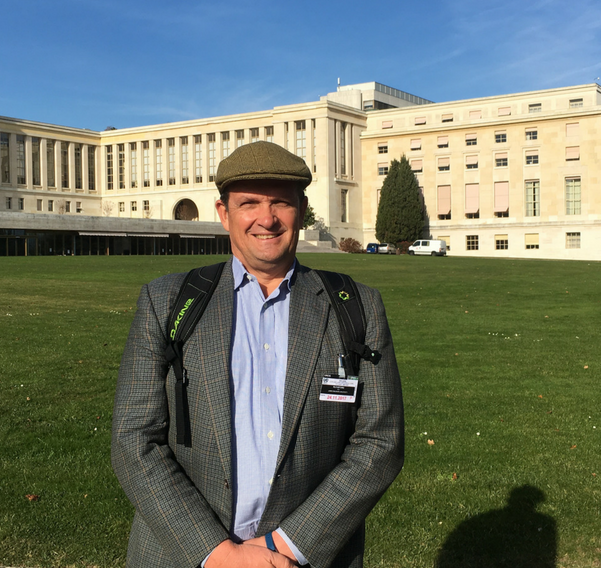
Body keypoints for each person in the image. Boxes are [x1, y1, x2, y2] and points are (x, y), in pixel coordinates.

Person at [111, 141, 405, 568]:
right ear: (223, 212)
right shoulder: (167, 302)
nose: (266, 219)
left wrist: (286, 547)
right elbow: (134, 440)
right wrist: (215, 553)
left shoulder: (357, 306)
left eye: (280, 204)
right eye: (249, 203)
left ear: (301, 211)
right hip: (184, 555)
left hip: (304, 557)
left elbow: (380, 442)